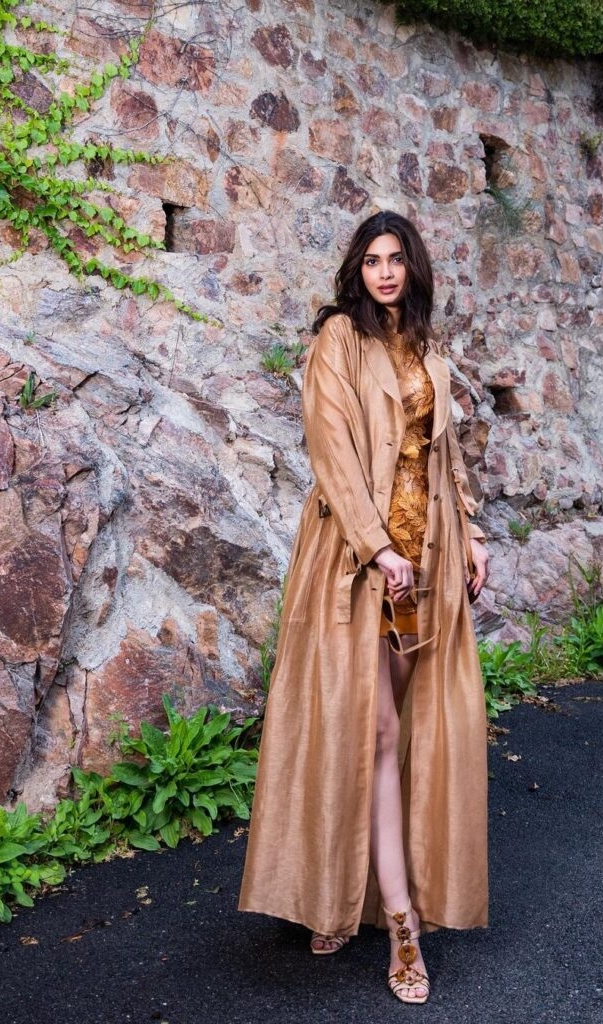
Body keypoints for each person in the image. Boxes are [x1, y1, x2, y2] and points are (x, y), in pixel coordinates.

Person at [239, 210, 490, 1004]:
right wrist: (378, 547)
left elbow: (442, 454)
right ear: (357, 268)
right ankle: (399, 925)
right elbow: (332, 452)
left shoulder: (427, 349)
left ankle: (353, 901)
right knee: (368, 729)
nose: (385, 272)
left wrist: (472, 531)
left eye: (397, 260)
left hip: (431, 560)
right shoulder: (337, 342)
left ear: (412, 269)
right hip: (358, 564)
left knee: (408, 733)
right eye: (372, 260)